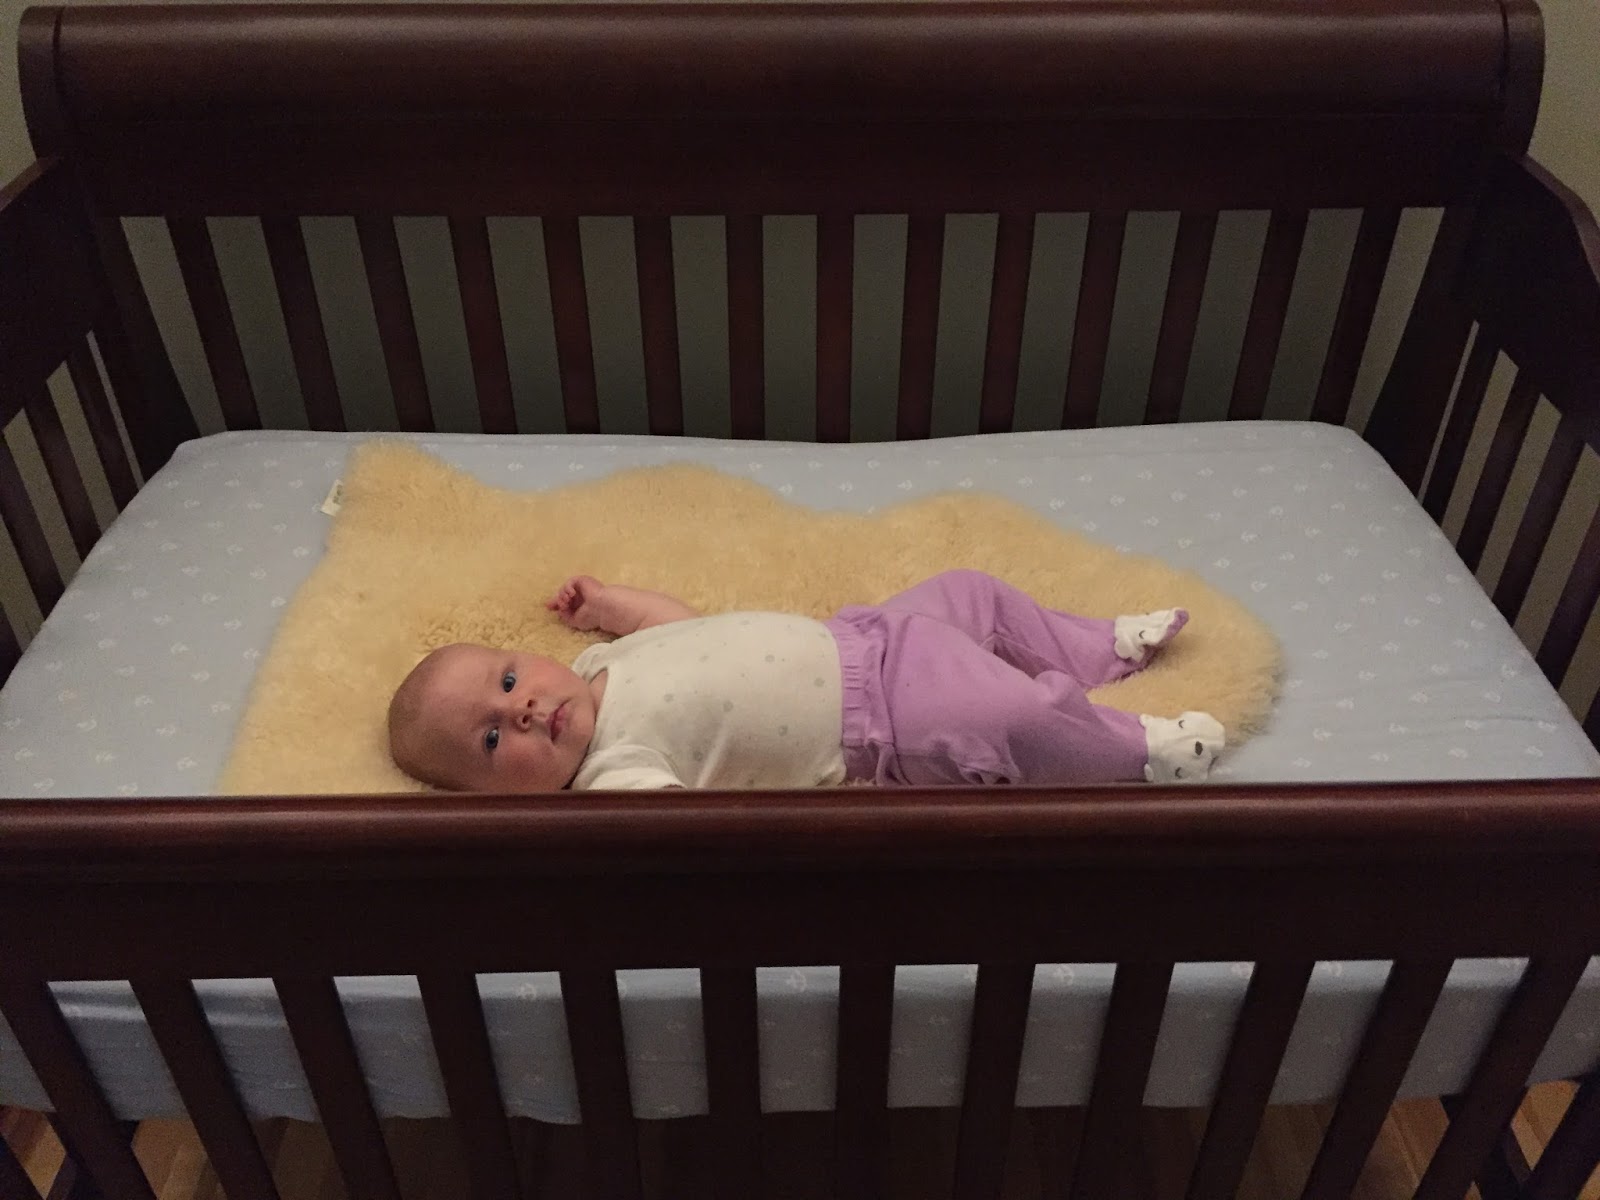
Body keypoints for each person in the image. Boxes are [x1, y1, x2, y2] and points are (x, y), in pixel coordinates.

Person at [386, 569, 1224, 792]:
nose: (522, 709)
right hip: (882, 723)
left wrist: (608, 606)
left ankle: (1096, 648)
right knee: (1007, 717)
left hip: (864, 635)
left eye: (507, 679)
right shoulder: (614, 775)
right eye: (490, 738)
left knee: (975, 593)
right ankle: (1136, 751)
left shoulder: (595, 666)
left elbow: (674, 625)